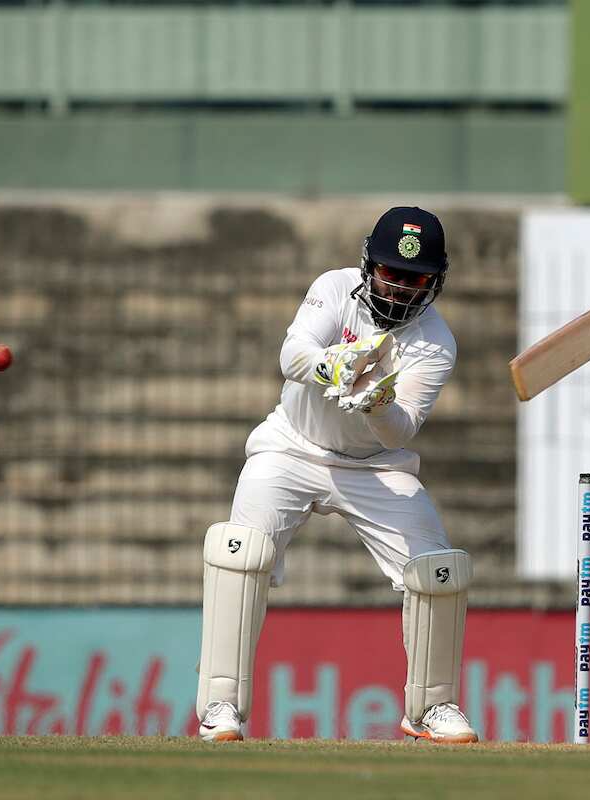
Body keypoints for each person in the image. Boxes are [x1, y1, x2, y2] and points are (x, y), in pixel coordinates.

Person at [195, 206, 477, 744]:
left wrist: (377, 404)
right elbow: (291, 355)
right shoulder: (335, 287)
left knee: (437, 569)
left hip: (374, 467)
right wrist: (336, 366)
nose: (400, 289)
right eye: (391, 272)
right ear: (369, 265)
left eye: (415, 279)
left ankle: (432, 706)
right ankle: (221, 704)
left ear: (434, 282)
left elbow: (399, 432)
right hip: (291, 448)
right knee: (242, 552)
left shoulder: (436, 343)